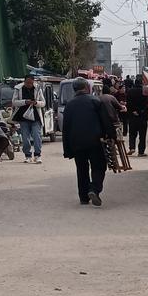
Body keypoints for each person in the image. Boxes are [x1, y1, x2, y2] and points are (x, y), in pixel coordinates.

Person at [61, 77, 116, 206]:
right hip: (95, 141)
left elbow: (66, 128)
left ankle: (84, 198)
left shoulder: (69, 105)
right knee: (98, 166)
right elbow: (105, 121)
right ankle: (94, 190)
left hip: (76, 143)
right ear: (87, 87)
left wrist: (67, 149)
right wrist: (111, 135)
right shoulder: (95, 101)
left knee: (81, 169)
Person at [12, 75, 45, 164]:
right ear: (24, 81)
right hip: (23, 118)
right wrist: (25, 102)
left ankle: (38, 155)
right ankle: (28, 155)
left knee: (37, 137)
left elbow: (43, 103)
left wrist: (36, 103)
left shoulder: (38, 88)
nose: (29, 85)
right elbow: (14, 102)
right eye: (27, 83)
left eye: (31, 83)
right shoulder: (18, 89)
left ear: (33, 82)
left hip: (36, 117)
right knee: (25, 138)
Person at [126, 75, 148, 156]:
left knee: (132, 133)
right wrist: (140, 112)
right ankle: (141, 152)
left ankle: (132, 148)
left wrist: (133, 111)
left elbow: (128, 103)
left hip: (132, 116)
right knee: (142, 135)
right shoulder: (144, 91)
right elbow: (146, 104)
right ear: (141, 83)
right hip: (142, 117)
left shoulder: (129, 91)